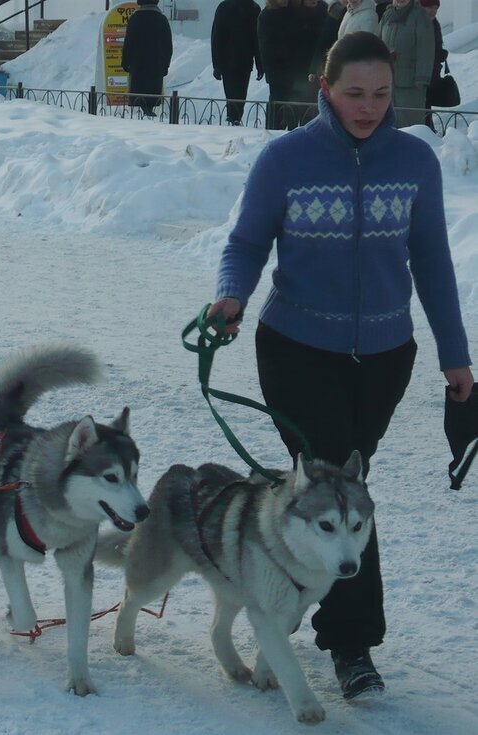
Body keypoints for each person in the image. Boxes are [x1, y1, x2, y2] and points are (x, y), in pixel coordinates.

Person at [207, 31, 473, 702]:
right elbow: (245, 241)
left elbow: (434, 262)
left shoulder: (415, 162)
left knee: (342, 485)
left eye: (382, 94)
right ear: (325, 89)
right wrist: (231, 295)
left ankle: (293, 584)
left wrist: (455, 358)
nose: (370, 106)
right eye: (354, 93)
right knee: (336, 475)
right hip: (296, 350)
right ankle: (353, 644)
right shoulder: (286, 159)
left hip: (385, 358)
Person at [379, 0, 433, 127]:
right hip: (387, 79)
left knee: (409, 123)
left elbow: (426, 48)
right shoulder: (388, 14)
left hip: (411, 82)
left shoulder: (419, 15)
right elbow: (377, 42)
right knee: (388, 122)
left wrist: (422, 78)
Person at [210, 0, 262, 126]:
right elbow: (217, 36)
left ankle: (234, 118)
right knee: (234, 94)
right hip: (231, 61)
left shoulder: (253, 8)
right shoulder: (226, 7)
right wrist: (217, 64)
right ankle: (233, 118)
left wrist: (260, 64)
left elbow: (257, 38)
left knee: (239, 94)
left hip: (240, 60)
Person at [121, 0, 172, 117]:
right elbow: (168, 45)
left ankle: (143, 108)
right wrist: (166, 64)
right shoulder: (161, 19)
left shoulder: (135, 19)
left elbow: (128, 42)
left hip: (138, 64)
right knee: (151, 93)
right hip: (156, 64)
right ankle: (148, 108)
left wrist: (125, 61)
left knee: (139, 92)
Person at [257, 0, 297, 129]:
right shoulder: (267, 15)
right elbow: (265, 45)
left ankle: (291, 130)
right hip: (276, 69)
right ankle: (273, 131)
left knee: (293, 104)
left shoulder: (294, 12)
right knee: (277, 103)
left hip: (294, 69)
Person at [420, 0, 445, 130]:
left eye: (435, 8)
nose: (433, 11)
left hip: (431, 73)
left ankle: (429, 129)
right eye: (429, 7)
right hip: (420, 73)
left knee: (427, 105)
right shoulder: (420, 23)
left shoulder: (434, 24)